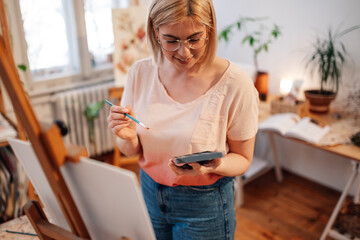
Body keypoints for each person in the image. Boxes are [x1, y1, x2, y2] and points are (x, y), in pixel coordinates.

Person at [107, 0, 259, 239]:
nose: (184, 52)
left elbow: (243, 158)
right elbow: (130, 151)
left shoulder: (235, 84)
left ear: (208, 31)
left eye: (194, 39)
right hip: (150, 190)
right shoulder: (140, 73)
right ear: (155, 32)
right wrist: (126, 137)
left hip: (205, 203)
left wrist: (215, 164)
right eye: (171, 40)